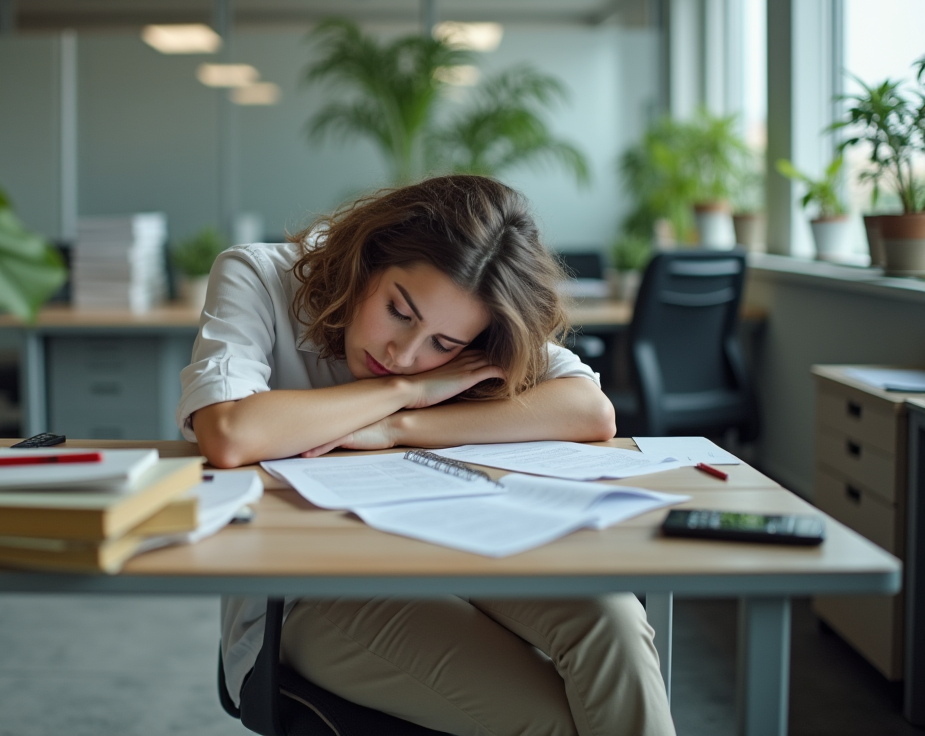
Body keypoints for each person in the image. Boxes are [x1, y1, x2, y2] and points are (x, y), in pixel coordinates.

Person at [176, 175, 676, 736]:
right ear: (366, 257)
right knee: (558, 723)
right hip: (307, 595)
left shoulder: (476, 316)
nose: (405, 353)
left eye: (443, 345)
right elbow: (229, 432)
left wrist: (400, 428)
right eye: (399, 310)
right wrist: (402, 391)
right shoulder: (258, 275)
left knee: (614, 619)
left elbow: (590, 411)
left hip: (458, 551)